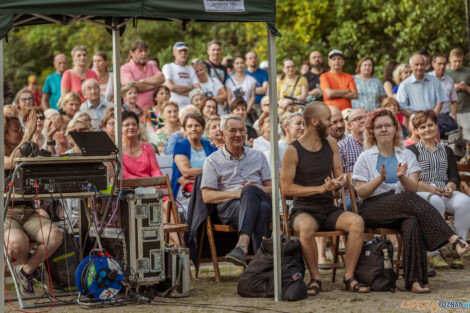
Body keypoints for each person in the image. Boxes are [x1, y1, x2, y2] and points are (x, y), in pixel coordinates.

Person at [352, 108, 470, 293]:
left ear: (395, 129)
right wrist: (379, 179)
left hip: (402, 205)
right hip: (373, 207)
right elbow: (361, 193)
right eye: (379, 126)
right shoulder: (365, 157)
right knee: (407, 198)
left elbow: (413, 187)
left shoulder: (406, 155)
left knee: (412, 222)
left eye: (388, 125)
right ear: (372, 131)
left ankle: (414, 281)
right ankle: (453, 238)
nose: (383, 129)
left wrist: (402, 177)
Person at [281, 101, 370, 295]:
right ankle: (315, 278)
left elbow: (340, 175)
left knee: (356, 222)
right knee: (305, 227)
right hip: (303, 209)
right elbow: (286, 187)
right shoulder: (292, 150)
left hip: (328, 208)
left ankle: (349, 278)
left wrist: (337, 183)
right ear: (314, 122)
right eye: (328, 119)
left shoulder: (330, 142)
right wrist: (319, 188)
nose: (332, 124)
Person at [4, 113, 63, 295]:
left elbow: (50, 163)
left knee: (55, 235)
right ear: (4, 134)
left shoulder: (27, 147)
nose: (21, 132)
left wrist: (50, 138)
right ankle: (31, 268)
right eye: (16, 130)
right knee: (17, 243)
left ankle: (26, 270)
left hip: (28, 211)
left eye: (22, 128)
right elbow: (12, 162)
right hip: (6, 212)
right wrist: (29, 133)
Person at [201, 114, 272, 266]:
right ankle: (262, 265)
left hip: (261, 196)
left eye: (241, 130)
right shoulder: (212, 160)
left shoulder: (258, 156)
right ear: (222, 133)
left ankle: (242, 245)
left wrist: (253, 189)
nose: (238, 135)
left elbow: (271, 188)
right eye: (233, 130)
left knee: (252, 192)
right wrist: (239, 193)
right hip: (231, 206)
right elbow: (207, 196)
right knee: (262, 208)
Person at [408, 111, 470, 269]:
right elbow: (411, 180)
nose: (427, 129)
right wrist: (430, 188)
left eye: (430, 125)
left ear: (436, 127)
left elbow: (454, 177)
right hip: (422, 191)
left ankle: (459, 248)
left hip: (444, 190)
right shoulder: (412, 151)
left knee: (465, 202)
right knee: (435, 201)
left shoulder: (447, 150)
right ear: (416, 130)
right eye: (422, 127)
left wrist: (450, 187)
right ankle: (434, 251)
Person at [172, 113, 217, 216]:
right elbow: (186, 172)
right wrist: (209, 170)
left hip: (207, 186)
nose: (194, 129)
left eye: (197, 125)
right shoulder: (180, 146)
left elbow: (219, 170)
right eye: (189, 126)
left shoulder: (210, 147)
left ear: (202, 128)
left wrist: (192, 178)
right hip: (185, 190)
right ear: (185, 129)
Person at [121, 40, 164, 110]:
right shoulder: (125, 68)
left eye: (145, 51)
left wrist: (143, 81)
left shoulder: (151, 66)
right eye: (140, 51)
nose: (144, 54)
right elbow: (131, 86)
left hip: (154, 109)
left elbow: (162, 78)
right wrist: (154, 85)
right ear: (132, 53)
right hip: (135, 110)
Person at [338, 108, 367, 211]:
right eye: (358, 118)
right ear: (349, 126)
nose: (364, 121)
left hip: (376, 192)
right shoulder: (341, 146)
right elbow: (338, 179)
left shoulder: (377, 144)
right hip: (351, 196)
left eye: (366, 117)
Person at [122, 111, 162, 179]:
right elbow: (125, 175)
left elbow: (155, 170)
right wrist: (145, 184)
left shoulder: (147, 147)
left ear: (138, 127)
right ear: (120, 128)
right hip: (129, 187)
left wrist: (157, 180)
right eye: (127, 125)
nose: (131, 127)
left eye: (134, 124)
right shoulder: (117, 151)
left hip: (151, 186)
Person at [163, 42, 200, 109]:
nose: (183, 53)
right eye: (180, 51)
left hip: (190, 107)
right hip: (174, 107)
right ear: (174, 53)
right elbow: (170, 87)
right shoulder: (168, 67)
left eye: (185, 51)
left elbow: (198, 90)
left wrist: (177, 89)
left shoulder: (191, 70)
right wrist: (190, 87)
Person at [445, 48, 470, 140]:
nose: (458, 64)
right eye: (455, 61)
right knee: (452, 140)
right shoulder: (445, 73)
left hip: (467, 111)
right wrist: (452, 88)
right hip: (450, 112)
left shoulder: (468, 72)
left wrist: (466, 87)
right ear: (449, 59)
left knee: (468, 141)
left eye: (460, 61)